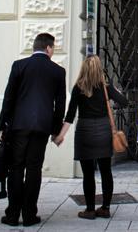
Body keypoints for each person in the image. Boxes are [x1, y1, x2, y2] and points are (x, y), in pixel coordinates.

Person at [0, 33, 66, 227]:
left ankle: (12, 215)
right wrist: (55, 129)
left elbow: (8, 97)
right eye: (53, 49)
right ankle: (29, 215)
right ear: (48, 48)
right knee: (34, 169)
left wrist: (2, 125)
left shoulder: (19, 66)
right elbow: (59, 104)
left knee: (16, 168)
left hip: (18, 126)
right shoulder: (58, 71)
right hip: (42, 127)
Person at [55, 55, 128, 220]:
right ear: (99, 69)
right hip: (103, 130)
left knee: (88, 173)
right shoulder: (106, 88)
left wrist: (61, 135)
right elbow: (124, 102)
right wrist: (114, 92)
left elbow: (70, 116)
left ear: (84, 69)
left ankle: (89, 209)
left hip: (85, 132)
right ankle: (106, 208)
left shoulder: (78, 88)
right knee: (105, 171)